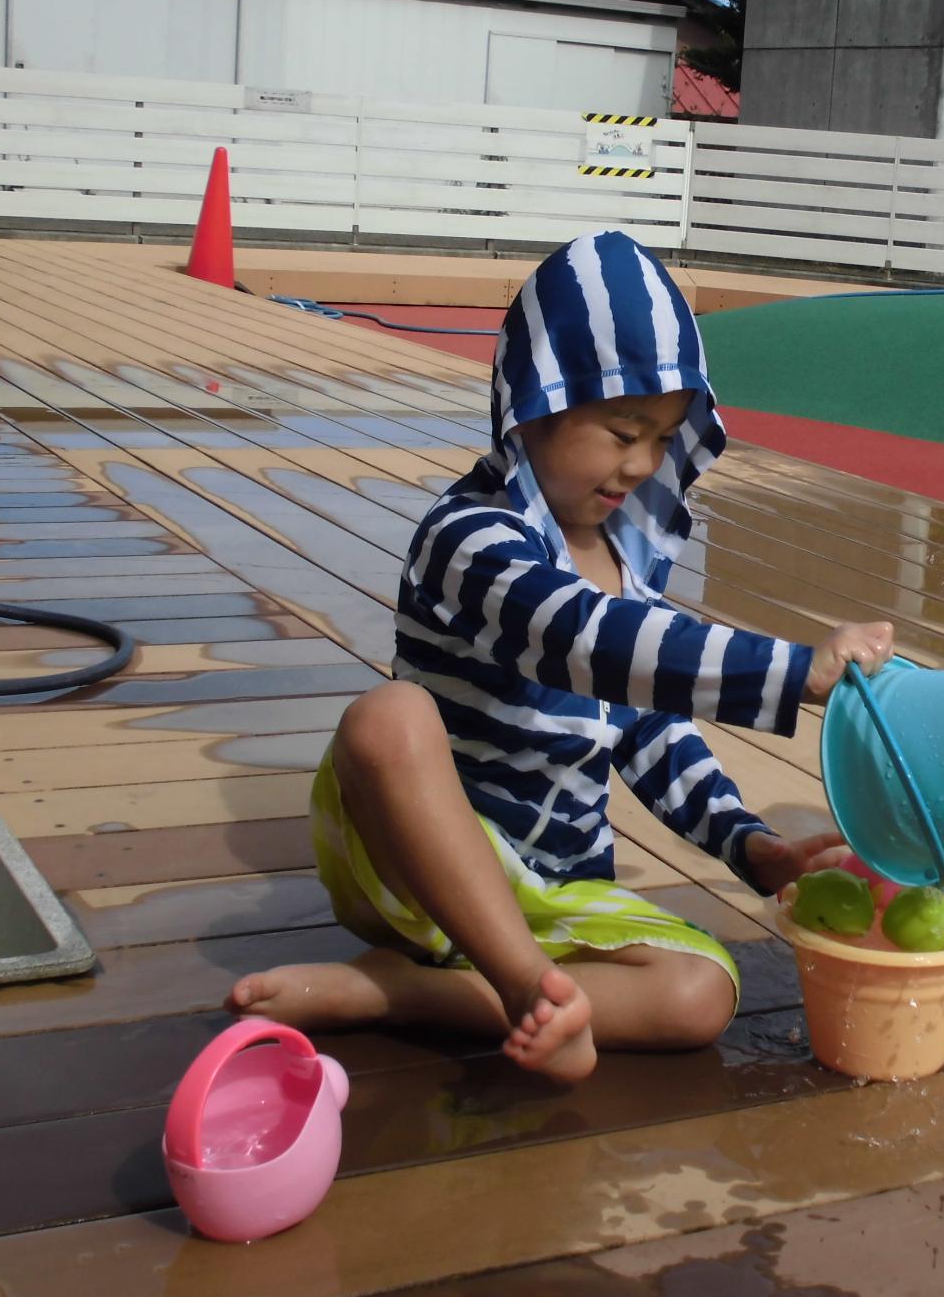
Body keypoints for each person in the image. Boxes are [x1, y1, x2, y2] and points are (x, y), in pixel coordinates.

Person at [228, 229, 893, 1082]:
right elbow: (579, 640)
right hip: (422, 869)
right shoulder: (468, 538)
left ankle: (409, 994)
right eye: (622, 431)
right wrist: (796, 671)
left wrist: (752, 849)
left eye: (661, 438)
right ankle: (526, 989)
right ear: (537, 402)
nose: (643, 463)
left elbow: (649, 730)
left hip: (553, 889)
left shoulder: (625, 562)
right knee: (386, 720)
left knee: (703, 994)